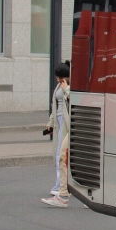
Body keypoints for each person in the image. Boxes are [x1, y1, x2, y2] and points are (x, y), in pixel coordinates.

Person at [41, 63, 71, 206]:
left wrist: (67, 90)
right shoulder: (60, 86)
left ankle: (62, 191)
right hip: (59, 121)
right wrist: (51, 123)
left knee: (62, 155)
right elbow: (55, 106)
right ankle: (61, 191)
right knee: (61, 155)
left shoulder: (68, 86)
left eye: (60, 78)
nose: (59, 81)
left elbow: (74, 101)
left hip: (67, 122)